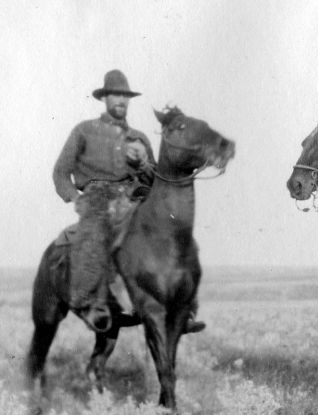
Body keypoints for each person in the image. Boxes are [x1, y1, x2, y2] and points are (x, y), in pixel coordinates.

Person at [53, 69, 205, 333]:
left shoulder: (140, 138)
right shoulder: (84, 131)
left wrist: (144, 163)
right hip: (98, 197)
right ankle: (91, 301)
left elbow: (156, 180)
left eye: (125, 96)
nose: (121, 100)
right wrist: (75, 198)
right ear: (105, 98)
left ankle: (182, 307)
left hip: (133, 196)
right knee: (97, 233)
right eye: (115, 95)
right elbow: (60, 172)